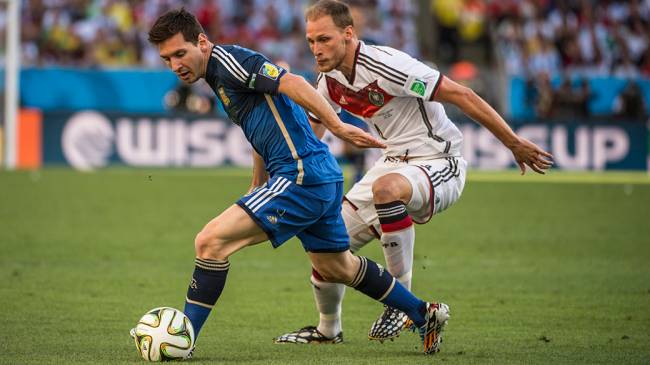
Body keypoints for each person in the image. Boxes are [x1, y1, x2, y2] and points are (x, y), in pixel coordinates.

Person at [134, 7, 453, 357]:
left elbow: (294, 83)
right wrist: (258, 180)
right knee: (336, 266)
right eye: (167, 59)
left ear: (202, 42)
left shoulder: (229, 62)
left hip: (301, 175)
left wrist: (336, 125)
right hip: (318, 176)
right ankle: (424, 314)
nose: (175, 64)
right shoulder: (216, 74)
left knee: (209, 242)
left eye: (180, 53)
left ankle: (185, 338)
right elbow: (258, 121)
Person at [274, 0, 553, 348]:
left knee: (387, 189)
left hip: (440, 159)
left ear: (349, 34)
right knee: (325, 244)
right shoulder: (328, 80)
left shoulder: (389, 65)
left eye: (324, 39)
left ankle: (403, 303)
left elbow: (460, 94)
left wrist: (512, 142)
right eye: (311, 41)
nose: (316, 49)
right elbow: (314, 132)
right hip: (392, 162)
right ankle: (328, 330)